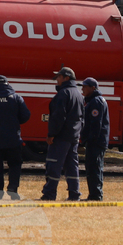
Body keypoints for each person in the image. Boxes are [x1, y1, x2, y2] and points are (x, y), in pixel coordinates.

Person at [40, 67, 84, 201]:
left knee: (54, 164)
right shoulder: (78, 94)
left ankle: (49, 194)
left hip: (61, 137)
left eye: (59, 77)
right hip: (73, 136)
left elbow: (58, 117)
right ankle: (74, 194)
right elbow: (82, 117)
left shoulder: (63, 94)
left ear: (66, 78)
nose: (57, 80)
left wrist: (51, 134)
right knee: (72, 166)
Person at [80, 77, 109, 202]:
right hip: (95, 141)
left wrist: (90, 139)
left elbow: (96, 123)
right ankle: (94, 194)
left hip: (95, 142)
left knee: (94, 168)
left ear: (93, 88)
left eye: (85, 86)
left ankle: (95, 195)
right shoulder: (94, 101)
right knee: (93, 167)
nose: (82, 88)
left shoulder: (96, 102)